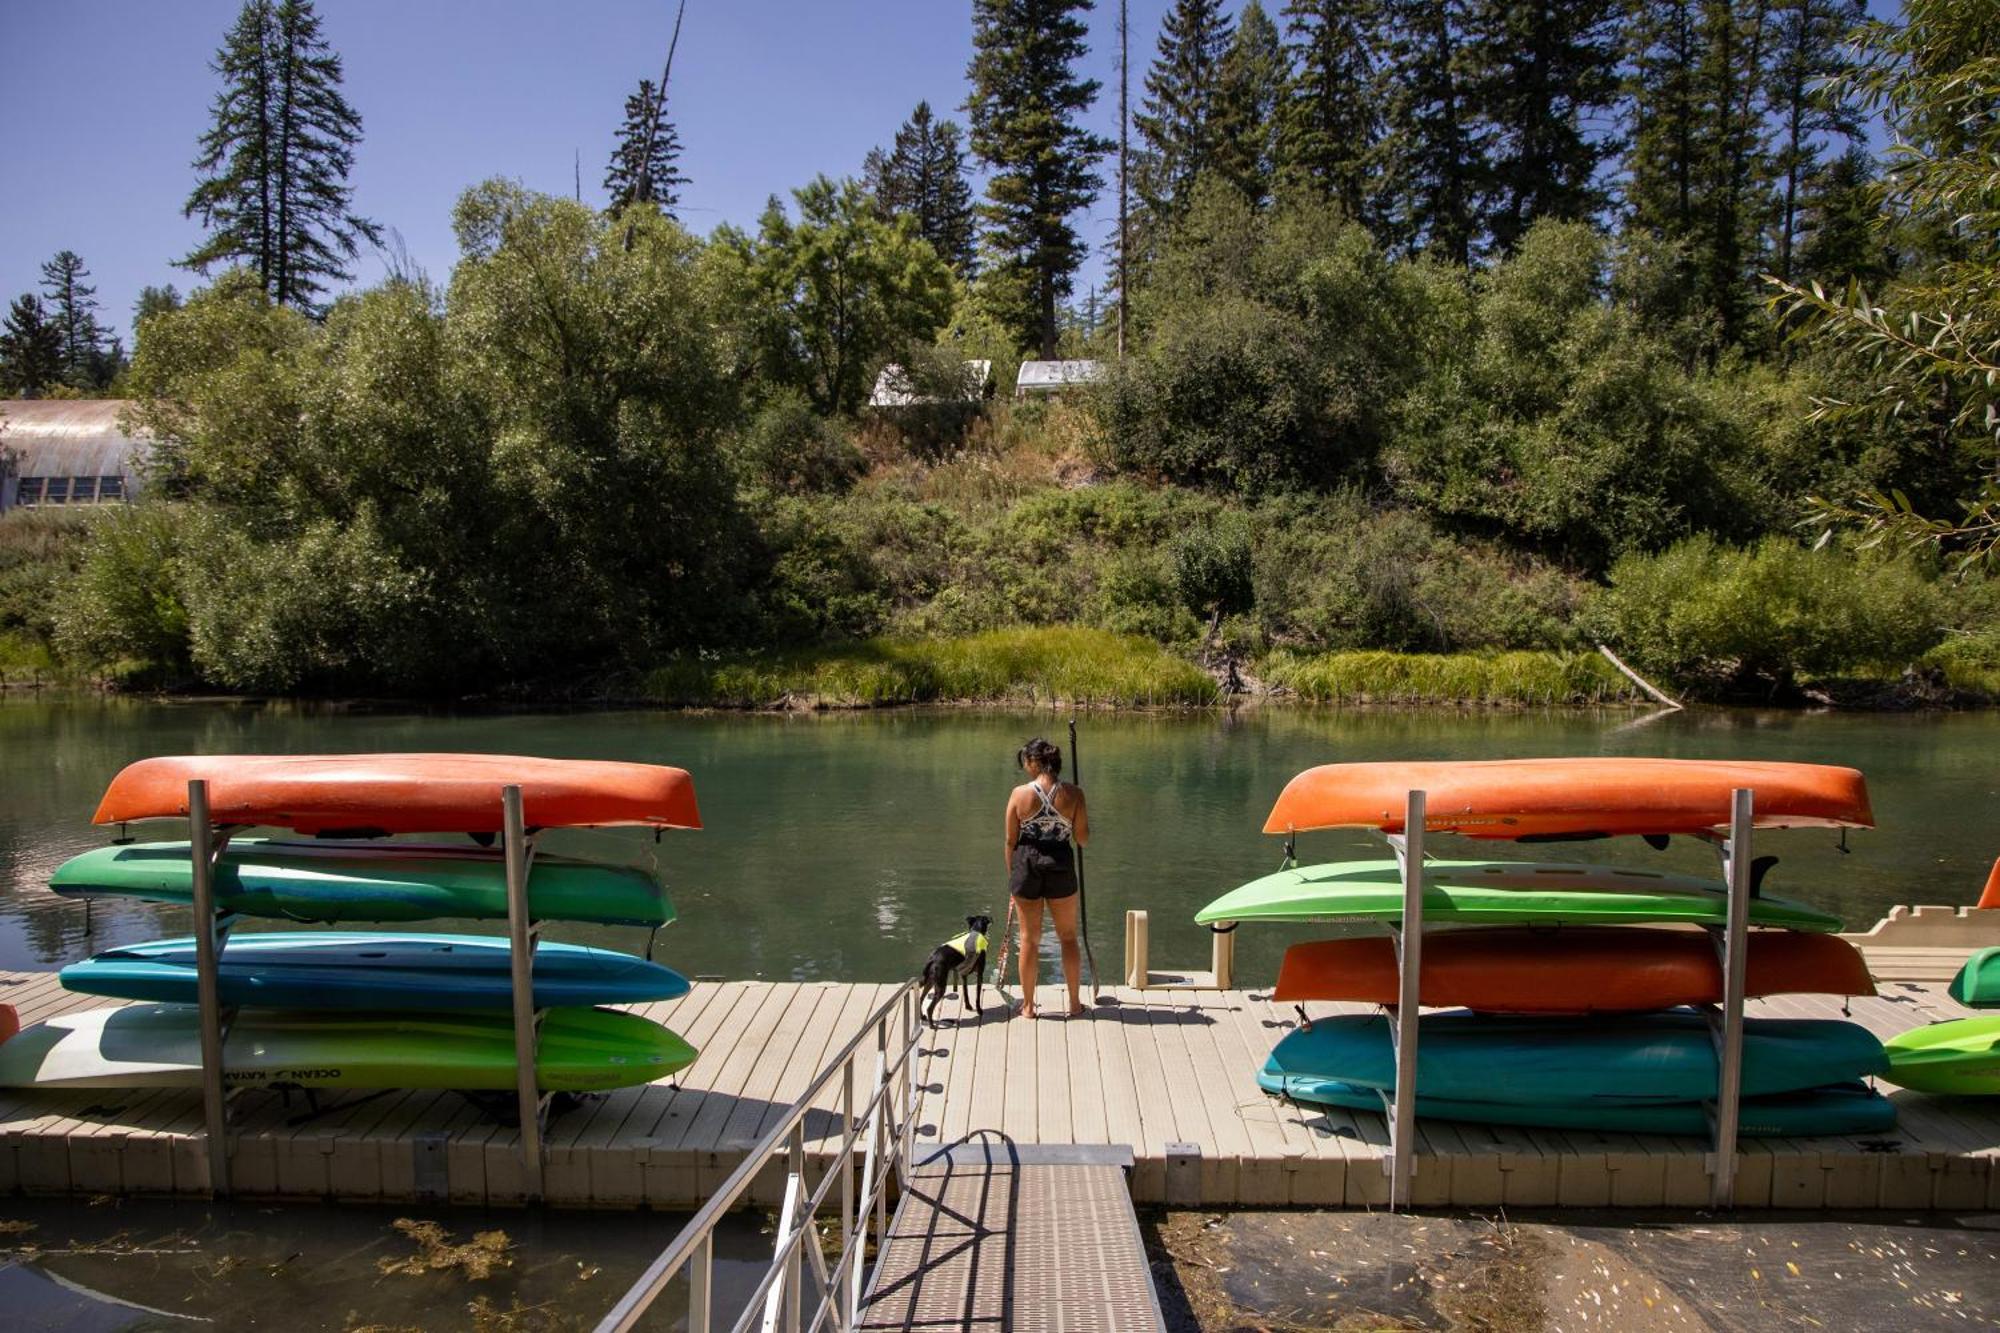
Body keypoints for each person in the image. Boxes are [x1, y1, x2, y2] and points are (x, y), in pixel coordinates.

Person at [1003, 737, 1090, 1018]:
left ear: (1034, 762)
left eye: (1025, 762)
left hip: (1026, 865)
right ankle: (1075, 1004)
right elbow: (1083, 839)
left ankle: (1028, 1007)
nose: (1024, 767)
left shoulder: (1019, 794)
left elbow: (1010, 840)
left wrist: (1012, 876)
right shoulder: (1075, 794)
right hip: (1061, 864)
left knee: (1028, 939)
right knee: (1068, 937)